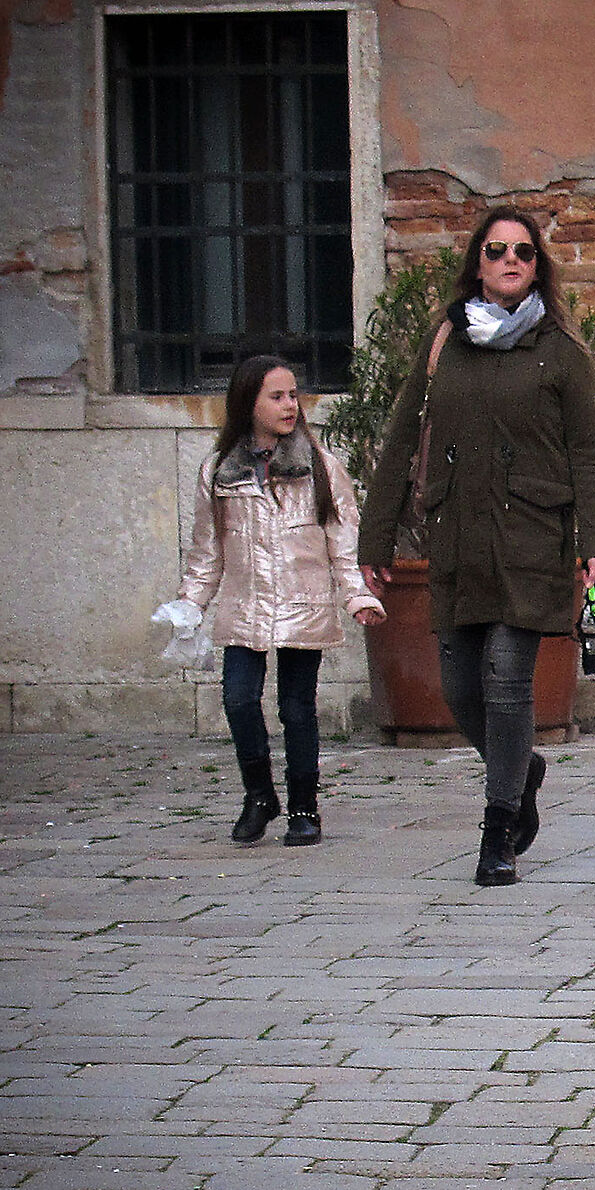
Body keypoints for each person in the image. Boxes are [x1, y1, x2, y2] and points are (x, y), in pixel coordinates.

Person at [360, 208, 595, 887]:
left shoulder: (560, 352)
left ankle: (497, 827)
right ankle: (521, 767)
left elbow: (589, 456)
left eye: (523, 252)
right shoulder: (446, 341)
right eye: (496, 249)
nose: (509, 260)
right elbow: (398, 436)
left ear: (538, 267)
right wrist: (375, 536)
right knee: (457, 687)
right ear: (478, 261)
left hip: (533, 537)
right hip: (457, 539)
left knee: (507, 682)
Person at [178, 354, 385, 847]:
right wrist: (189, 606)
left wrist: (356, 596)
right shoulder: (218, 472)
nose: (290, 405)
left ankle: (303, 808)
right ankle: (258, 795)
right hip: (245, 607)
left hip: (303, 603)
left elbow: (343, 542)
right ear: (248, 403)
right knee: (238, 699)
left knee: (297, 709)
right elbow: (208, 553)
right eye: (277, 396)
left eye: (294, 395)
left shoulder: (321, 468)